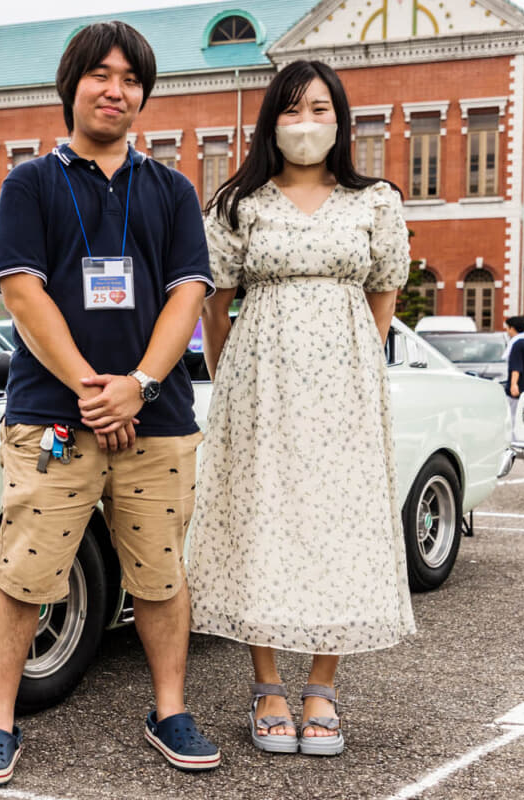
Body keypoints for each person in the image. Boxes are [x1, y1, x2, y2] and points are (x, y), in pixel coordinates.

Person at [0, 20, 215, 787]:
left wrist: (140, 383)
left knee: (161, 576)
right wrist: (89, 388)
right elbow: (21, 290)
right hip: (52, 417)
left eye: (132, 78)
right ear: (70, 85)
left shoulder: (171, 190)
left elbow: (189, 294)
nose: (117, 89)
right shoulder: (30, 184)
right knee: (20, 573)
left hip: (157, 419)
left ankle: (168, 707)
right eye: (101, 74)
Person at [186, 59, 416, 758]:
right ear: (270, 122)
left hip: (344, 388)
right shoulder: (238, 203)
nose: (306, 123)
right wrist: (230, 380)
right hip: (259, 385)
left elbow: (384, 291)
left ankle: (321, 686)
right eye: (291, 110)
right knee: (264, 520)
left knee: (336, 524)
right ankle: (267, 685)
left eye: (320, 109)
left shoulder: (375, 200)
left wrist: (355, 365)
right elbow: (214, 303)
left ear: (342, 120)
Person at [505, 316, 524, 418]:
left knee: (512, 416)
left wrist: (513, 384)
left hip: (518, 388)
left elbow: (516, 367)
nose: (507, 331)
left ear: (512, 328)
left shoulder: (517, 344)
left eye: (507, 328)